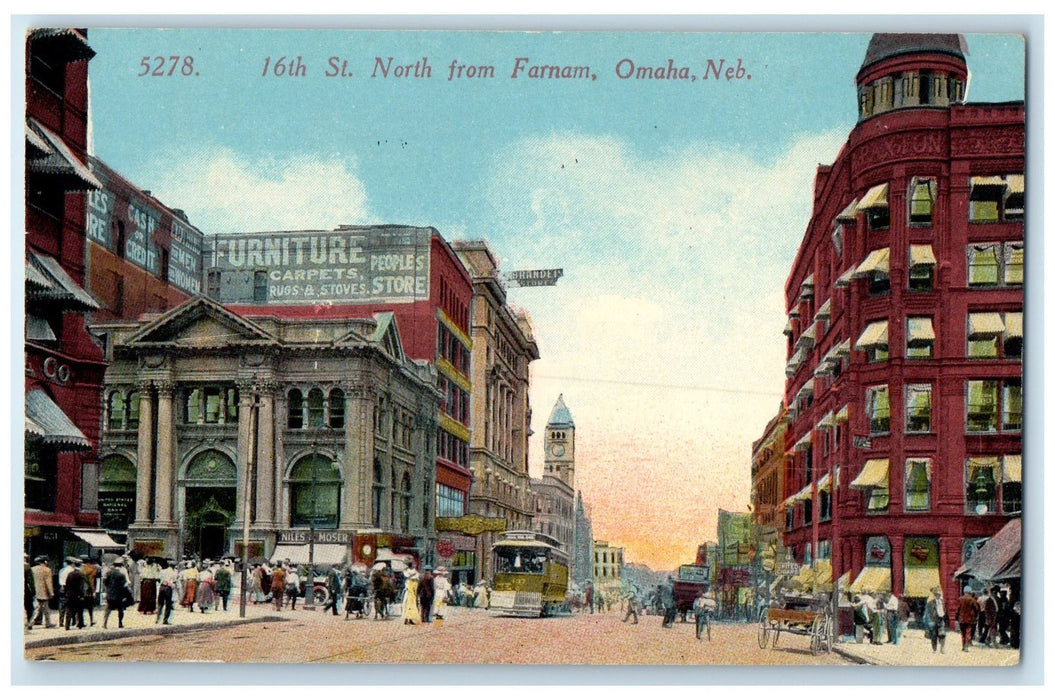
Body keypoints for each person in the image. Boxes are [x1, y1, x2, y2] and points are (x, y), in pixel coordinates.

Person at [103, 558, 133, 629]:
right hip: (119, 595)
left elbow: (105, 583)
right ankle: (120, 623)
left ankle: (105, 623)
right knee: (120, 610)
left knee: (108, 609)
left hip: (110, 594)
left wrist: (108, 589)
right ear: (121, 566)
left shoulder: (108, 573)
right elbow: (124, 586)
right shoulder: (121, 575)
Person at [30, 555, 57, 629]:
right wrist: (51, 593)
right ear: (45, 561)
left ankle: (33, 622)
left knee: (39, 608)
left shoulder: (32, 569)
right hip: (43, 592)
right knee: (44, 609)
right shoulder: (47, 570)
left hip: (35, 591)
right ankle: (44, 623)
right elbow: (48, 583)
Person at [923, 586, 948, 654]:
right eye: (937, 594)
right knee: (934, 635)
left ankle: (942, 648)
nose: (938, 596)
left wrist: (945, 619)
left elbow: (945, 610)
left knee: (942, 635)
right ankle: (934, 649)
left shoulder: (942, 602)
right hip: (933, 621)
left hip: (941, 620)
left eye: (939, 594)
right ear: (935, 595)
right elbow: (927, 613)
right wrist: (928, 623)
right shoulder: (930, 603)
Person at [64, 558, 86, 630]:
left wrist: (66, 593)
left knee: (69, 610)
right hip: (78, 595)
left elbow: (66, 584)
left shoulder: (70, 574)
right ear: (80, 566)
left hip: (70, 594)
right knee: (79, 610)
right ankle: (80, 624)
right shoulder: (81, 574)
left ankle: (67, 625)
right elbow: (81, 586)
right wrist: (82, 594)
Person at [958, 587, 981, 652]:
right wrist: (976, 616)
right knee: (968, 632)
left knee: (963, 633)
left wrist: (957, 617)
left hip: (961, 619)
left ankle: (963, 646)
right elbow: (976, 609)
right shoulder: (972, 600)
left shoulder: (960, 599)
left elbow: (957, 609)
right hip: (969, 619)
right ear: (970, 592)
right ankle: (966, 646)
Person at [156, 559, 176, 624]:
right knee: (168, 604)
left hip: (162, 587)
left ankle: (157, 619)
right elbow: (174, 582)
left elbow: (159, 579)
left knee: (160, 604)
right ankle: (165, 620)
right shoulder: (173, 573)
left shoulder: (162, 571)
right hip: (168, 588)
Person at [57, 556, 75, 628]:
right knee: (70, 606)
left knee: (62, 606)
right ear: (72, 563)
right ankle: (71, 621)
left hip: (62, 587)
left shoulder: (61, 570)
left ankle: (61, 621)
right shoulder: (72, 571)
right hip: (70, 588)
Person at [81, 557, 99, 627]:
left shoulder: (80, 569)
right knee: (90, 607)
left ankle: (79, 621)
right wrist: (94, 591)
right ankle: (91, 620)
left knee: (80, 607)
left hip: (80, 590)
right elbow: (91, 582)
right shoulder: (92, 570)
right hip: (88, 591)